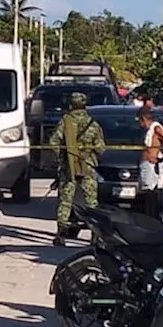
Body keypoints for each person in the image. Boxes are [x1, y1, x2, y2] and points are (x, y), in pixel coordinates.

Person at [48, 92, 106, 246]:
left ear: (71, 105)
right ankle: (95, 236)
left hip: (69, 167)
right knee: (91, 202)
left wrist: (64, 157)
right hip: (88, 166)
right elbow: (101, 148)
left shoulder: (65, 122)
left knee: (65, 202)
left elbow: (53, 142)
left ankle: (60, 235)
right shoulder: (93, 124)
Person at [136, 146, 163, 219]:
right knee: (149, 192)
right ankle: (148, 216)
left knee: (154, 193)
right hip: (148, 163)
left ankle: (152, 215)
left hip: (153, 164)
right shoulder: (157, 135)